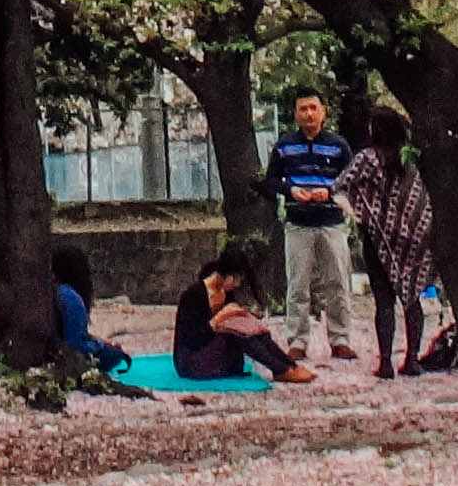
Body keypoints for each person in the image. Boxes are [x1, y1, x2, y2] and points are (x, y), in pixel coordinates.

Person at [337, 108, 437, 379]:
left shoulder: (368, 158)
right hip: (413, 241)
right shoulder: (412, 157)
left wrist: (359, 214)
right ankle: (413, 359)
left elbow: (340, 188)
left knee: (384, 302)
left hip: (377, 239)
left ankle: (385, 362)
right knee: (412, 297)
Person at [264, 89, 360, 361]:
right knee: (297, 284)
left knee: (338, 282)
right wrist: (290, 189)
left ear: (323, 112)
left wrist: (329, 192)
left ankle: (340, 338)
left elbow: (352, 181)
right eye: (303, 109)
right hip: (298, 224)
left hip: (332, 223)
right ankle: (297, 340)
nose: (308, 114)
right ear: (295, 113)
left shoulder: (339, 146)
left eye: (313, 108)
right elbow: (271, 180)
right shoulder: (284, 146)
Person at [173, 251, 313, 384]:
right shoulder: (193, 296)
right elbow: (193, 337)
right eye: (237, 280)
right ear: (227, 276)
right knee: (238, 334)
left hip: (216, 355)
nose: (237, 285)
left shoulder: (225, 293)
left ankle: (289, 365)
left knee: (252, 331)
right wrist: (220, 319)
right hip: (192, 361)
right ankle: (280, 369)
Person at [51, 243, 127, 376]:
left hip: (61, 347)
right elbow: (74, 343)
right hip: (69, 353)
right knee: (115, 355)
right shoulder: (70, 297)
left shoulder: (56, 291)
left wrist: (100, 341)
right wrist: (101, 347)